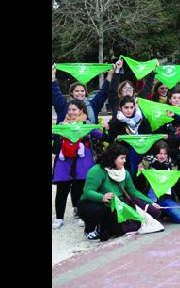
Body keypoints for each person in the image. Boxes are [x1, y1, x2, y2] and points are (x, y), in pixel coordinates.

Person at [78, 144, 163, 242]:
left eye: (125, 158)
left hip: (118, 204)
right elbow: (87, 192)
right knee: (100, 211)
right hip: (95, 203)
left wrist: (150, 202)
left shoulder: (124, 173)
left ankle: (107, 226)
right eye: (122, 158)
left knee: (155, 212)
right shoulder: (97, 170)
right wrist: (102, 197)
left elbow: (133, 191)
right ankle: (90, 229)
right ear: (113, 158)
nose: (124, 161)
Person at [53, 99, 105, 229]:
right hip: (64, 161)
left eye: (74, 110)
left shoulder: (87, 124)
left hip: (82, 161)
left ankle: (82, 214)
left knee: (79, 189)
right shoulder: (62, 124)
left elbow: (100, 136)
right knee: (62, 190)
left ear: (81, 111)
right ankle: (59, 218)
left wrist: (106, 129)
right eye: (69, 110)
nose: (71, 112)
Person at [136, 141, 180, 223]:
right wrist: (142, 173)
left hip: (165, 198)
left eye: (165, 154)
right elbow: (138, 184)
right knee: (146, 220)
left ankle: (164, 212)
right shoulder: (146, 162)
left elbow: (177, 184)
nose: (162, 156)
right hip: (149, 198)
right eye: (160, 153)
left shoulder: (172, 164)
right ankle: (160, 213)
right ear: (155, 153)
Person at [106, 97, 153, 175]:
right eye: (126, 107)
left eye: (131, 107)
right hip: (124, 154)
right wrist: (117, 139)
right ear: (121, 108)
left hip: (141, 152)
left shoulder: (142, 120)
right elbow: (110, 139)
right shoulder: (115, 122)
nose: (129, 110)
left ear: (135, 107)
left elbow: (149, 136)